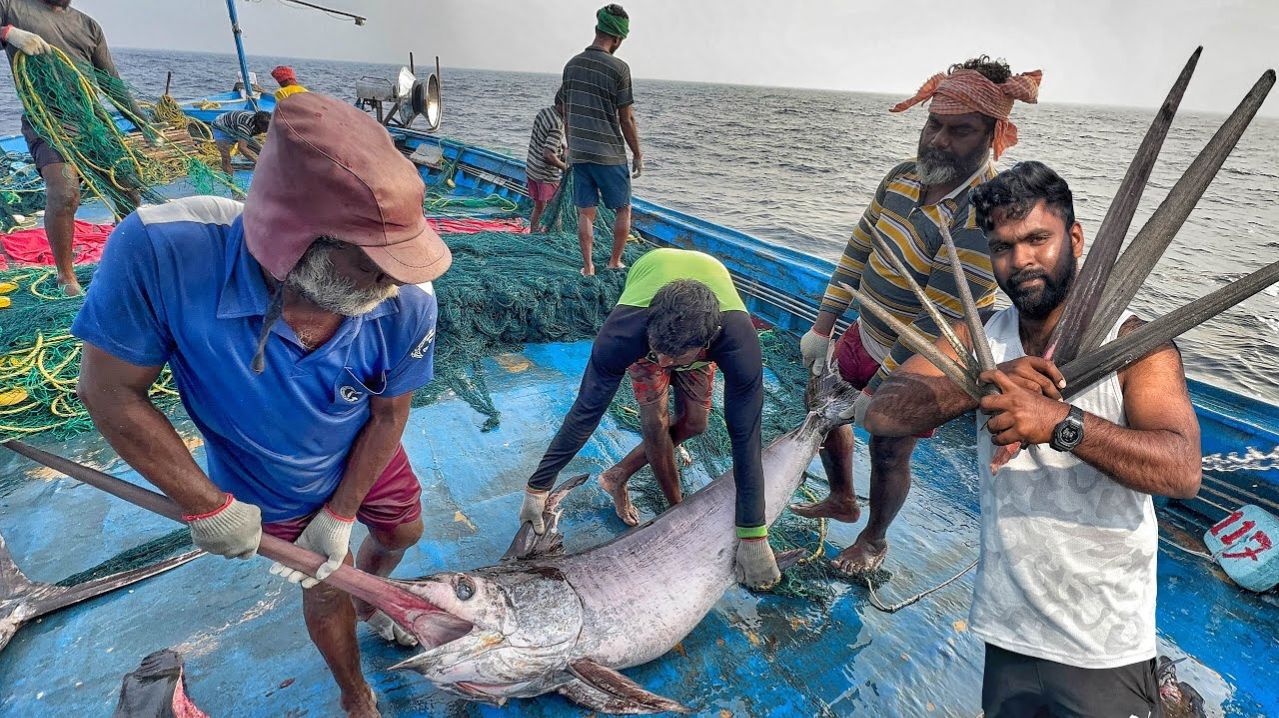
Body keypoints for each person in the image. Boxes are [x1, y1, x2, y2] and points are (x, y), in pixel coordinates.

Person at [73, 93, 452, 718]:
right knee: (324, 582)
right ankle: (355, 693)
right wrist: (208, 506)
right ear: (296, 240)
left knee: (403, 530)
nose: (395, 280)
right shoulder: (160, 250)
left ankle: (370, 597)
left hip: (354, 442)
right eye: (372, 262)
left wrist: (340, 511)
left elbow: (388, 414)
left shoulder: (409, 302)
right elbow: (110, 388)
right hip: (260, 469)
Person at [864, 161, 1200, 718]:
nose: (1020, 261)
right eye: (1002, 247)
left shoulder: (1136, 344)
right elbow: (881, 413)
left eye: (1037, 239)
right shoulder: (983, 339)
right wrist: (981, 386)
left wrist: (1057, 422)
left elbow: (1182, 470)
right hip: (1007, 627)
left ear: (1073, 238)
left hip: (1102, 642)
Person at [792, 56, 1041, 576]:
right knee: (821, 407)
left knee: (888, 450)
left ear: (994, 132)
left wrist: (877, 388)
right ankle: (842, 496)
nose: (938, 141)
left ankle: (874, 539)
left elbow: (942, 321)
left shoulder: (983, 216)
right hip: (868, 330)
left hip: (926, 359)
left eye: (959, 131)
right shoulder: (901, 179)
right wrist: (823, 324)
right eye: (934, 124)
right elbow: (860, 247)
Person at [518, 247, 781, 589]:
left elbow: (746, 437)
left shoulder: (737, 343)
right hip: (650, 287)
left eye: (674, 359)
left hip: (707, 308)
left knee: (697, 423)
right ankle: (677, 509)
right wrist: (537, 486)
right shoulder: (624, 333)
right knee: (655, 424)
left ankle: (617, 476)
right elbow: (585, 411)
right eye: (660, 353)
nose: (664, 363)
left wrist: (753, 534)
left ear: (708, 344)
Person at [1, 0, 150, 296]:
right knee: (66, 192)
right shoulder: (12, 6)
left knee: (129, 189)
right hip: (48, 121)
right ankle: (66, 277)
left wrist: (143, 122)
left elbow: (111, 82)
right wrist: (7, 33)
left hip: (91, 122)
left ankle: (119, 259)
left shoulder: (88, 26)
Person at [561, 3, 642, 276]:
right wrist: (638, 153)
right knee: (623, 208)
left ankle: (587, 266)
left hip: (580, 153)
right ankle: (614, 261)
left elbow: (562, 106)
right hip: (610, 154)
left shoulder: (572, 65)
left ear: (597, 29)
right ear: (617, 39)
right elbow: (626, 119)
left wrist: (572, 142)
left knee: (586, 213)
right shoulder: (619, 68)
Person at [525, 88, 568, 231]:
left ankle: (534, 231)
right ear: (564, 104)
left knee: (539, 205)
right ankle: (555, 236)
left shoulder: (544, 112)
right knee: (556, 208)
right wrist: (565, 167)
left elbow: (543, 138)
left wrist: (561, 147)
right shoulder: (558, 124)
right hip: (546, 175)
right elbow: (548, 155)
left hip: (532, 170)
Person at [210, 109, 271, 177]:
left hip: (236, 128)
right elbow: (242, 147)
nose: (269, 129)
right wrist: (258, 162)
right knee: (226, 158)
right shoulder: (246, 125)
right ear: (260, 124)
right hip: (221, 128)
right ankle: (230, 182)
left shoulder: (268, 123)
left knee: (261, 150)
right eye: (267, 128)